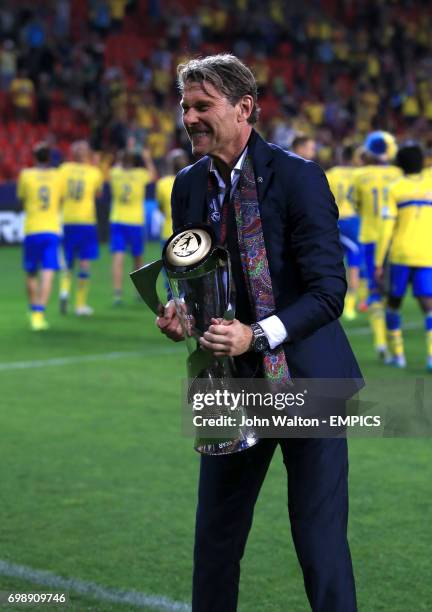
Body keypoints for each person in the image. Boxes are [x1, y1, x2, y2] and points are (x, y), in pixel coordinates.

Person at [156, 54, 362, 612]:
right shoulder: (186, 185)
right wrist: (181, 314)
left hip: (308, 383)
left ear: (244, 106)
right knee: (215, 543)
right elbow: (191, 277)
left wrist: (259, 335)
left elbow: (327, 293)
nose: (190, 117)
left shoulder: (299, 177)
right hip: (228, 384)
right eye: (185, 107)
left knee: (320, 546)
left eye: (203, 106)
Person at [375, 142, 432, 371]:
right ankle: (430, 357)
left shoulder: (395, 188)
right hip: (427, 254)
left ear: (399, 164)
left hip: (400, 254)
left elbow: (386, 227)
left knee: (394, 303)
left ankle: (398, 356)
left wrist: (379, 261)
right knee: (428, 306)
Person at [353, 131, 401, 358]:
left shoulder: (359, 175)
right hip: (395, 238)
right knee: (398, 292)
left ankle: (381, 343)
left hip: (370, 238)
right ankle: (397, 345)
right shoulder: (398, 173)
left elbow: (356, 204)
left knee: (374, 290)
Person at [18, 142, 62, 331]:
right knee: (48, 271)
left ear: (34, 157)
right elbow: (60, 199)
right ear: (50, 158)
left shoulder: (26, 175)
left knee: (31, 271)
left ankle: (33, 308)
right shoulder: (57, 176)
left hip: (32, 229)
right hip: (51, 229)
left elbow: (22, 198)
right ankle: (38, 313)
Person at [58, 140, 104, 315]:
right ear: (88, 154)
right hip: (86, 222)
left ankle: (64, 291)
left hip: (68, 221)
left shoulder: (63, 169)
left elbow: (59, 193)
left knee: (68, 262)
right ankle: (80, 305)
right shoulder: (94, 172)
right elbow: (98, 194)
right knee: (84, 263)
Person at [109, 148, 156, 305]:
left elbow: (114, 167)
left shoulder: (115, 173)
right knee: (137, 258)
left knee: (118, 256)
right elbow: (153, 175)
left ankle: (117, 294)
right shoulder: (140, 174)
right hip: (135, 221)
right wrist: (147, 158)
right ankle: (138, 292)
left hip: (117, 220)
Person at [327, 145, 363, 320]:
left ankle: (332, 300)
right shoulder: (359, 175)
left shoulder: (331, 173)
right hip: (354, 222)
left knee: (333, 263)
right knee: (354, 264)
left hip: (336, 221)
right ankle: (350, 306)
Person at [155, 148, 190, 243]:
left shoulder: (162, 183)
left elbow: (160, 207)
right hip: (189, 234)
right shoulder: (192, 181)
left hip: (168, 232)